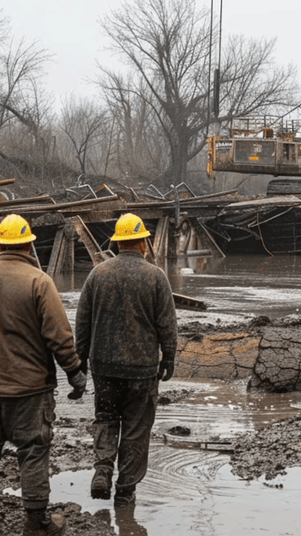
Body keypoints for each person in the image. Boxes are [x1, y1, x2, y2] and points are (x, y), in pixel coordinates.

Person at [0, 214, 86, 536]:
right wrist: (75, 372)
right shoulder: (40, 281)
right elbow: (60, 337)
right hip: (31, 391)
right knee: (34, 453)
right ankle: (35, 524)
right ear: (28, 245)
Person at [74, 213, 177, 508]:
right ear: (143, 242)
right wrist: (168, 357)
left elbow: (82, 321)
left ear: (118, 243)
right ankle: (125, 490)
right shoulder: (156, 277)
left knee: (106, 419)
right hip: (142, 369)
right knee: (135, 427)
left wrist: (80, 358)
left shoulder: (98, 275)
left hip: (104, 367)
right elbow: (167, 324)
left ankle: (103, 470)